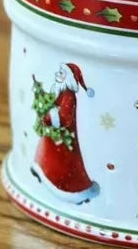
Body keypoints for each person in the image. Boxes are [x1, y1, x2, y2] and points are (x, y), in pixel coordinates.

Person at [31, 62, 100, 204]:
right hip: (53, 135)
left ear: (68, 78)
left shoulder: (68, 95)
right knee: (48, 155)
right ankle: (42, 172)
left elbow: (65, 118)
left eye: (61, 73)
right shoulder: (58, 90)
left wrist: (49, 115)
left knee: (62, 163)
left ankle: (67, 188)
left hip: (63, 138)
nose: (58, 74)